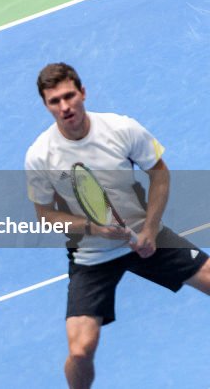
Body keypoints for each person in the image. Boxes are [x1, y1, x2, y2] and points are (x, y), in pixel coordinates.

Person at [25, 62, 210, 388]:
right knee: (80, 350)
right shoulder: (40, 155)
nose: (65, 107)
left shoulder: (121, 129)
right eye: (55, 101)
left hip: (143, 234)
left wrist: (151, 229)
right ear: (46, 105)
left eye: (69, 96)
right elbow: (46, 215)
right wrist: (94, 228)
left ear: (83, 93)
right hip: (91, 257)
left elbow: (159, 173)